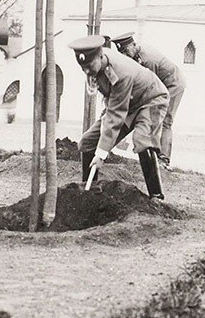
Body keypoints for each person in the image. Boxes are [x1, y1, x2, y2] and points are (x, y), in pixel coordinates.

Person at [72, 35, 169, 199]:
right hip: (126, 104)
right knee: (87, 142)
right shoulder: (96, 67)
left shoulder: (120, 71)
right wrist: (100, 143)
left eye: (89, 66)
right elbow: (111, 105)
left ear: (101, 56)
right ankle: (89, 192)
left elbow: (116, 114)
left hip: (151, 100)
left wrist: (101, 154)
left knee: (142, 140)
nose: (87, 71)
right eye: (83, 68)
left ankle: (156, 196)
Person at [112, 32, 185, 168]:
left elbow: (151, 87)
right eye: (121, 52)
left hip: (173, 84)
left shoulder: (148, 60)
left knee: (164, 120)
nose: (125, 55)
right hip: (159, 84)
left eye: (126, 51)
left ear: (134, 45)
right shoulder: (133, 57)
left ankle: (164, 160)